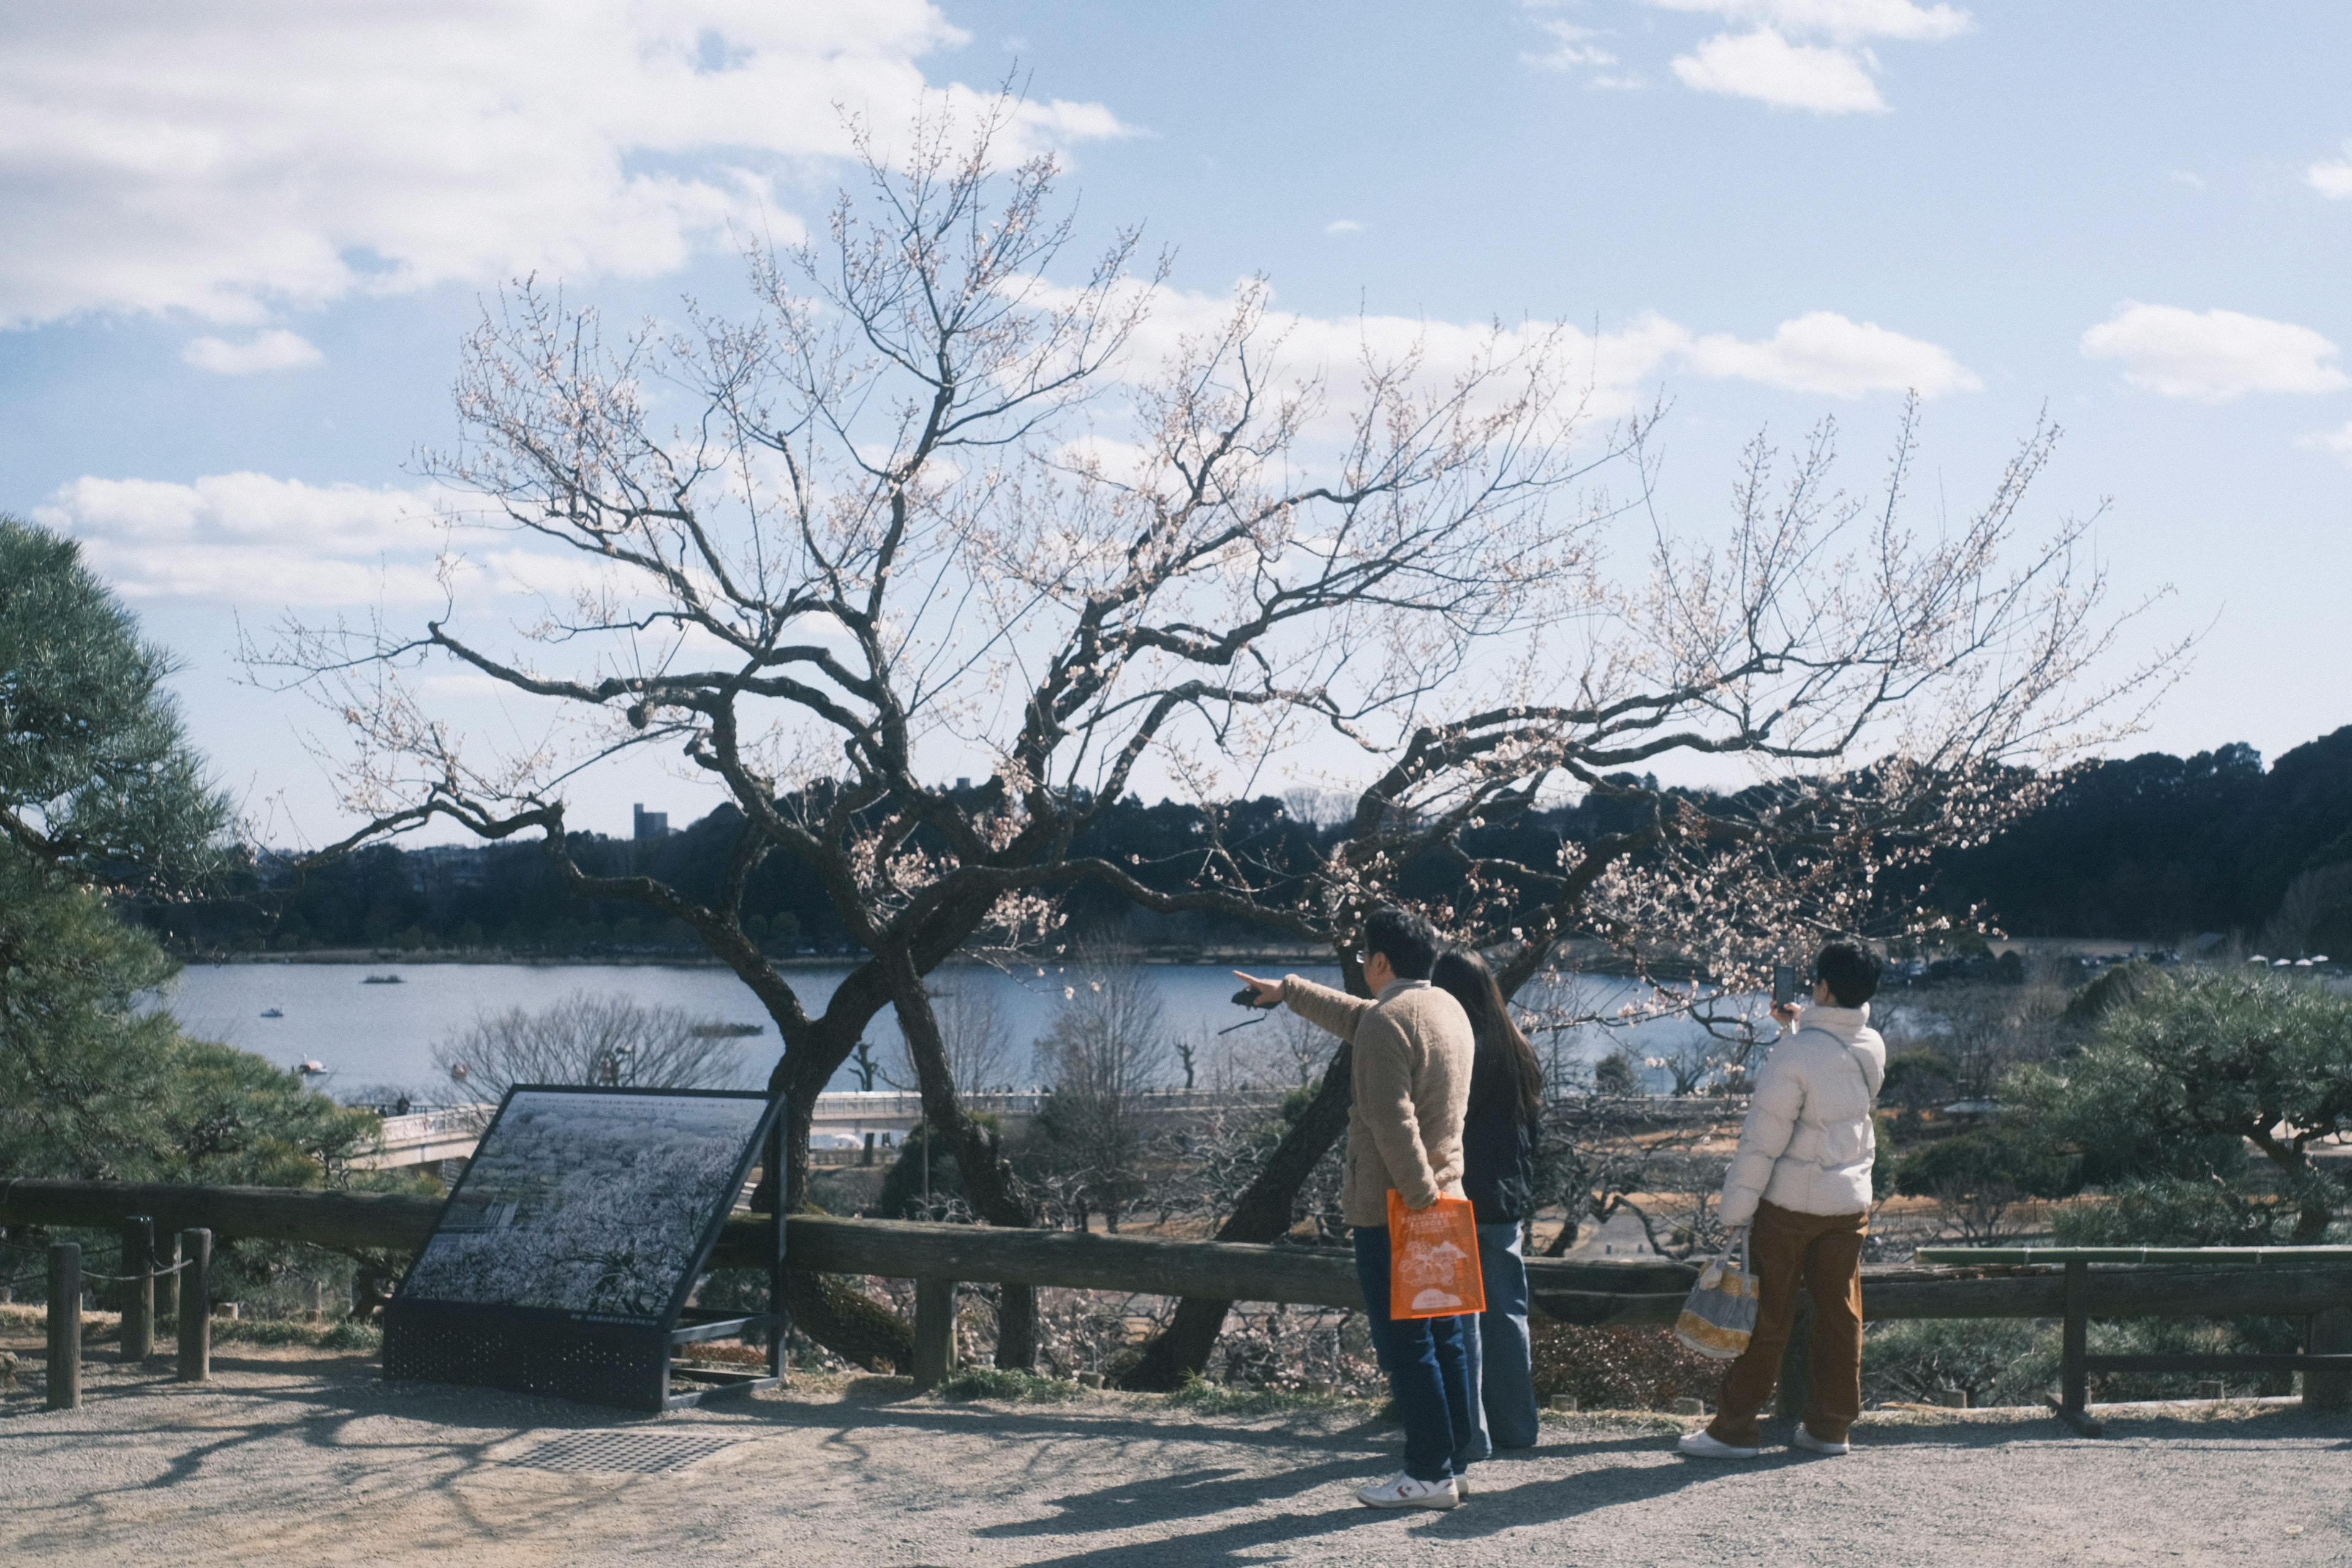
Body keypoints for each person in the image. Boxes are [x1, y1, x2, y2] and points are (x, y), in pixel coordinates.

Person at [1235, 905, 1477, 1510]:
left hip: (1398, 1209)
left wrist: (1416, 1201)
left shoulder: (1387, 1023)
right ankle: (1452, 1462)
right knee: (1445, 1336)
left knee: (1407, 1345)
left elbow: (1391, 1122)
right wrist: (1287, 991)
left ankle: (1425, 1472)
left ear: (1378, 962)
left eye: (1364, 957)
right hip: (1447, 1200)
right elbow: (1361, 1017)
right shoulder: (1445, 1010)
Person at [1678, 938, 1887, 1461]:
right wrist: (1799, 1026)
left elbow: (1763, 1139)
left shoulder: (1795, 1054)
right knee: (1840, 1317)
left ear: (1823, 986)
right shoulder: (1871, 1046)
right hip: (1847, 1206)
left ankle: (1734, 1430)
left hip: (1790, 1208)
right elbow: (1831, 1090)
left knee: (1767, 1317)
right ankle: (1830, 1428)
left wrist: (1735, 1212)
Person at [1429, 948, 1543, 1453]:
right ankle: (1518, 1428)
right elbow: (1531, 1130)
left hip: (1459, 1195)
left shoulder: (1454, 1048)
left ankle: (1469, 1436)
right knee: (1505, 1318)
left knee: (1460, 1321)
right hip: (1506, 1201)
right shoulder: (1518, 1048)